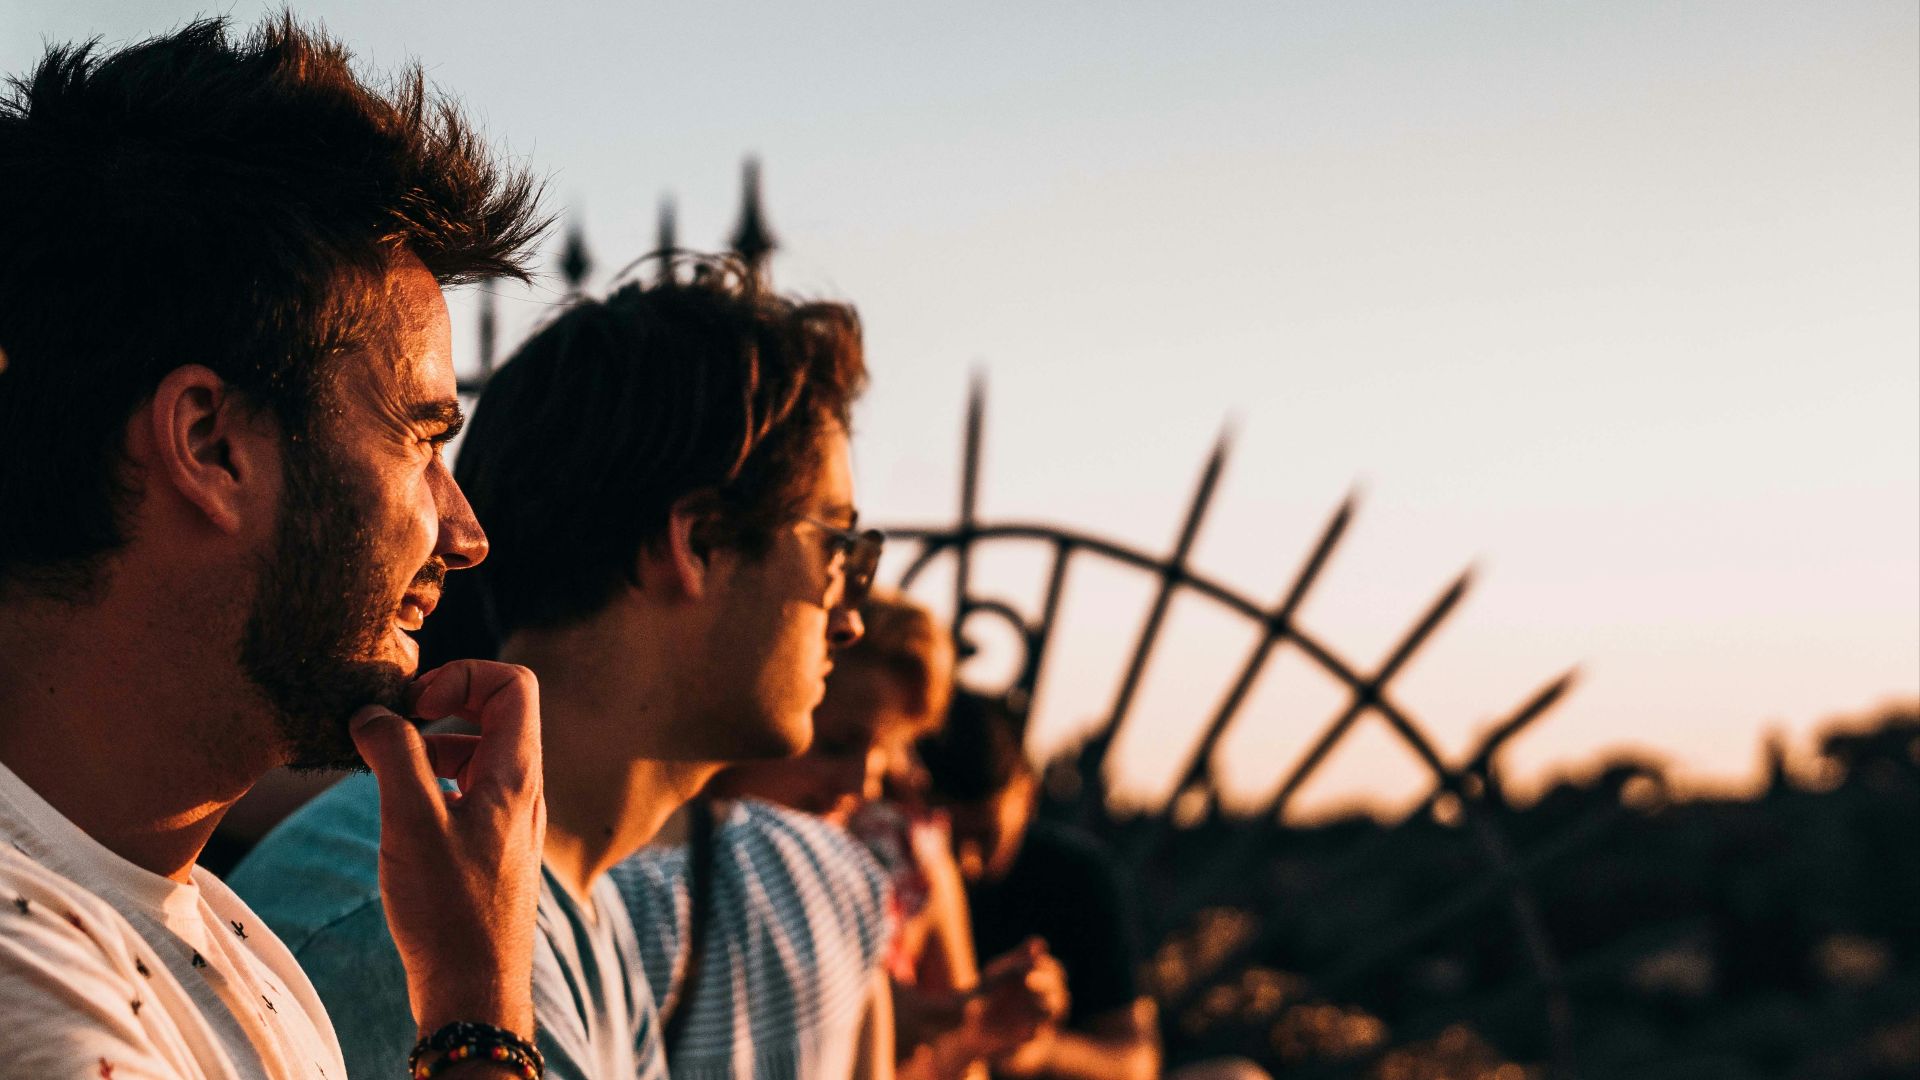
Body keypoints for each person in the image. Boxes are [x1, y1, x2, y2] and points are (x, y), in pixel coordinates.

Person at [0, 16, 551, 1079]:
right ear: (212, 444)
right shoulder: (30, 983)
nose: (467, 533)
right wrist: (478, 1013)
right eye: (421, 437)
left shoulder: (218, 936)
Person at [232, 257, 879, 1079]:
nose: (852, 616)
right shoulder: (409, 927)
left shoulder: (569, 899)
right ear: (701, 545)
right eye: (837, 549)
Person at [685, 592, 1068, 1080]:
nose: (861, 785)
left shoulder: (902, 863)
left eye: (883, 755)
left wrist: (969, 1038)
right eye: (835, 745)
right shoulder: (645, 859)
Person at [920, 692, 1161, 1080]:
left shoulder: (1077, 876)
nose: (967, 861)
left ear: (1027, 795)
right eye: (944, 836)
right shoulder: (897, 872)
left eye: (984, 835)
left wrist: (1035, 1049)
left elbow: (1135, 1061)